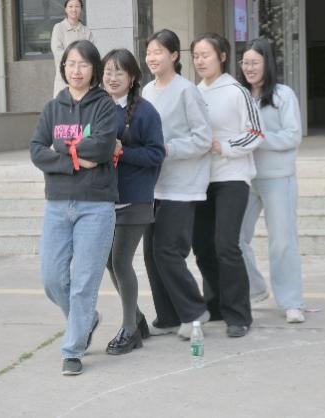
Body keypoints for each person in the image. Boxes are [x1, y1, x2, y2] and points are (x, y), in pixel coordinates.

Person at [30, 40, 117, 376]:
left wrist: (62, 149)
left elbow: (103, 147)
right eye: (70, 63)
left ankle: (73, 349)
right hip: (57, 203)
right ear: (63, 67)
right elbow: (37, 150)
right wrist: (76, 160)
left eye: (83, 64)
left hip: (95, 204)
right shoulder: (53, 108)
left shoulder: (104, 106)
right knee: (52, 279)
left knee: (84, 283)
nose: (76, 70)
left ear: (94, 69)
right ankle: (86, 321)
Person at [191, 33, 264, 338]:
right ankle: (216, 305)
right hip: (201, 180)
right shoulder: (193, 92)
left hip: (232, 177)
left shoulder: (236, 91)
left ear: (222, 56)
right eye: (196, 56)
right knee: (202, 247)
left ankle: (239, 315)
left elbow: (256, 132)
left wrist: (226, 146)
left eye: (206, 55)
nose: (200, 61)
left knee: (226, 245)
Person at [141, 29, 213, 340]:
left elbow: (203, 139)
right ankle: (168, 317)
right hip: (153, 184)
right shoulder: (146, 91)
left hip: (183, 185)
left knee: (167, 250)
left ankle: (194, 313)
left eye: (158, 51)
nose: (152, 57)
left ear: (173, 55)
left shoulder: (187, 91)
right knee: (150, 253)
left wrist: (166, 148)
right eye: (149, 52)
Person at [101, 49, 165, 355]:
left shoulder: (145, 112)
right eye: (108, 71)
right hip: (104, 199)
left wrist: (122, 151)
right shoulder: (99, 107)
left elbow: (156, 153)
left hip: (135, 200)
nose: (112, 78)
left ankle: (130, 330)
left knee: (120, 262)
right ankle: (136, 318)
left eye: (119, 72)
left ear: (133, 77)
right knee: (107, 261)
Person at [238, 38, 306, 324]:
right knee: (234, 238)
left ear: (268, 64)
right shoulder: (240, 95)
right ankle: (255, 289)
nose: (249, 68)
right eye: (245, 63)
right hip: (245, 177)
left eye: (255, 62)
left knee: (282, 241)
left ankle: (291, 302)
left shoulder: (282, 95)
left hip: (278, 178)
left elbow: (293, 135)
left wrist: (259, 139)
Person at [50, 0, 94, 98]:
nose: (74, 9)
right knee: (63, 105)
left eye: (77, 6)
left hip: (83, 80)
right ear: (65, 9)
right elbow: (57, 51)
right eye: (70, 6)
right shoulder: (58, 28)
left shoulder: (86, 31)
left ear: (81, 9)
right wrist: (75, 61)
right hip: (64, 79)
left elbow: (91, 54)